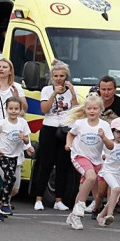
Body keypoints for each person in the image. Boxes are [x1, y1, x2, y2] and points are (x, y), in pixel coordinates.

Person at [31, 60, 78, 211]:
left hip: (65, 129)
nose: (59, 78)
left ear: (66, 76)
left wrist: (73, 93)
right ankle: (39, 198)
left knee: (63, 165)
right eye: (56, 76)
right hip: (49, 128)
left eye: (62, 76)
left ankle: (59, 200)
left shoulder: (71, 89)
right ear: (52, 76)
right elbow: (44, 109)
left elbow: (76, 110)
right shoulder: (46, 89)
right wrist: (54, 93)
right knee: (45, 164)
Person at [64, 97, 114, 230]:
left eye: (95, 108)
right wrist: (68, 144)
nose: (92, 111)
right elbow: (70, 134)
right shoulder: (80, 123)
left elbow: (111, 146)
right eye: (89, 108)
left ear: (101, 110)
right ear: (85, 110)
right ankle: (80, 205)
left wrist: (103, 137)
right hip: (79, 156)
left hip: (96, 161)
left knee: (87, 190)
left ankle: (74, 216)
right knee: (91, 177)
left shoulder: (105, 126)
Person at [0, 97, 35, 221]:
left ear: (20, 110)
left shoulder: (22, 123)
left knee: (14, 189)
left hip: (15, 157)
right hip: (2, 155)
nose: (13, 111)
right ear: (6, 109)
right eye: (11, 108)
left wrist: (27, 144)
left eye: (16, 109)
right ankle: (4, 204)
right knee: (10, 178)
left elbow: (26, 139)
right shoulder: (2, 123)